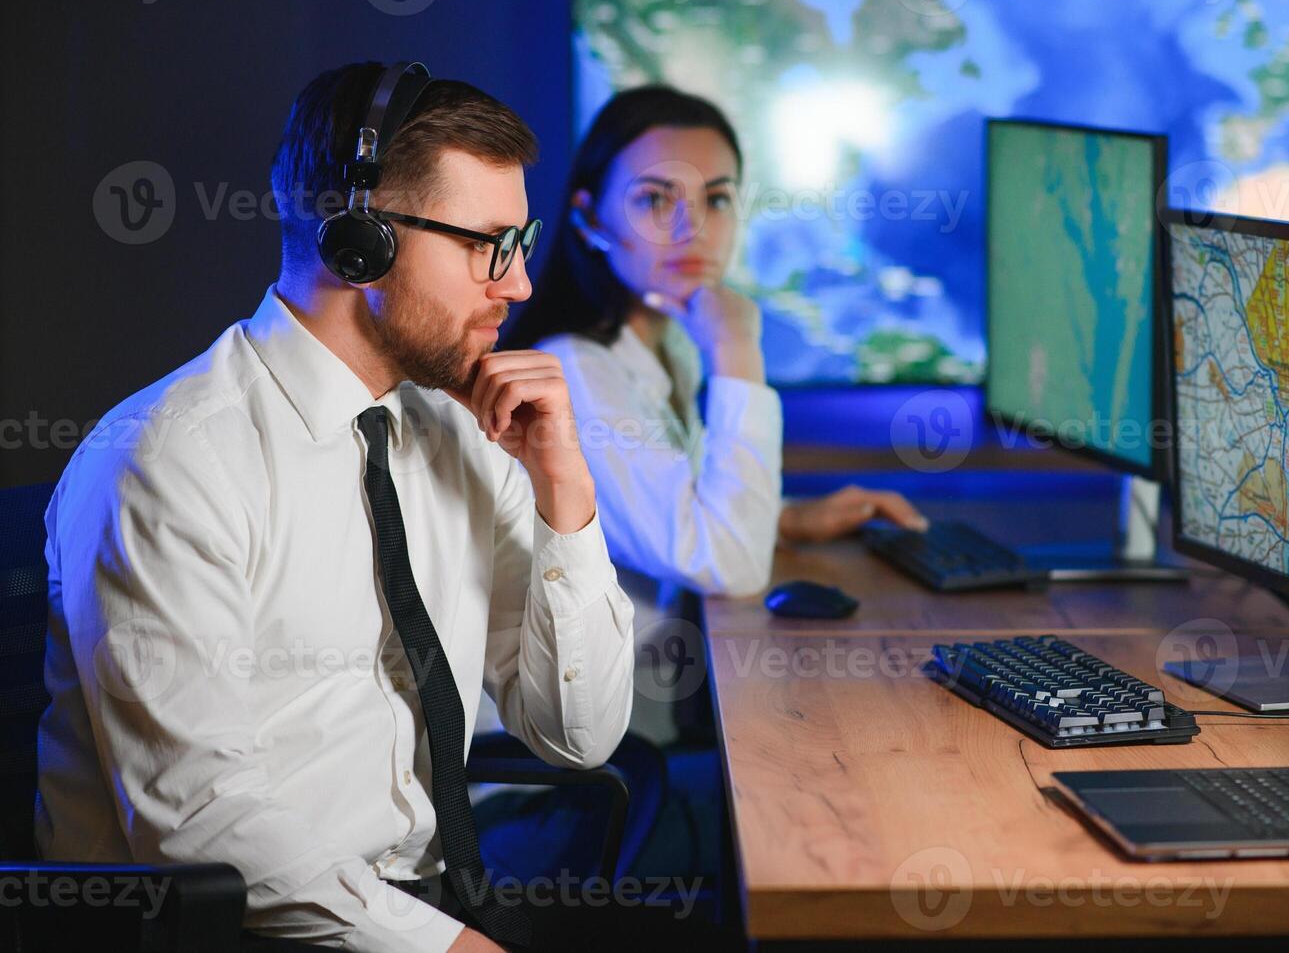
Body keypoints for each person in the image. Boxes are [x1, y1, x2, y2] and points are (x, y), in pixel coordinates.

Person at [35, 62, 635, 953]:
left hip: (417, 906)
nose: (518, 286)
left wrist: (565, 494)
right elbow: (202, 825)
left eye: (520, 243)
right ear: (362, 243)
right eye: (488, 245)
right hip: (225, 930)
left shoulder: (465, 431)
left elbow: (576, 738)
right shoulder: (169, 461)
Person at [504, 84, 928, 641]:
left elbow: (685, 513)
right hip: (581, 719)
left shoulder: (670, 343)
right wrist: (737, 350)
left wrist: (783, 519)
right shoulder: (574, 372)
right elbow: (729, 566)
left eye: (717, 199)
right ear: (588, 217)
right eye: (655, 199)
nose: (693, 228)